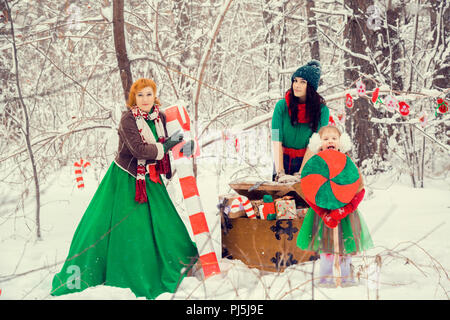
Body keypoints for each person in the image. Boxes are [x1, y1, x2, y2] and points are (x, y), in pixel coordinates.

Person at [50, 78, 198, 299]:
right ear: (133, 98)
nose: (145, 99)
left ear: (154, 95)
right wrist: (167, 145)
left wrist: (184, 144)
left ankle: (180, 263)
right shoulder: (128, 120)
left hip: (151, 178)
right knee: (131, 230)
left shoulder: (160, 117)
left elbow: (172, 137)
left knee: (167, 224)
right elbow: (139, 150)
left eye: (149, 94)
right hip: (128, 179)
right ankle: (133, 274)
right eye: (140, 95)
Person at [296, 125, 373, 287]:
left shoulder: (348, 164)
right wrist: (324, 214)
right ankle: (324, 279)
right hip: (322, 215)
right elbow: (309, 193)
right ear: (319, 143)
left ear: (341, 142)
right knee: (326, 250)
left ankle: (345, 279)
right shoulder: (315, 165)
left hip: (345, 215)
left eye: (334, 138)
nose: (330, 141)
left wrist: (344, 210)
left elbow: (360, 190)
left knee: (345, 247)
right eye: (325, 138)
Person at [271, 60, 330, 184]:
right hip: (282, 158)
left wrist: (301, 174)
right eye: (295, 80)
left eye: (302, 82)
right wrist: (280, 172)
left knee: (303, 201)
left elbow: (315, 142)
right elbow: (276, 138)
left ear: (311, 87)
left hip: (307, 159)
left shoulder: (322, 111)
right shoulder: (281, 106)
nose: (297, 85)